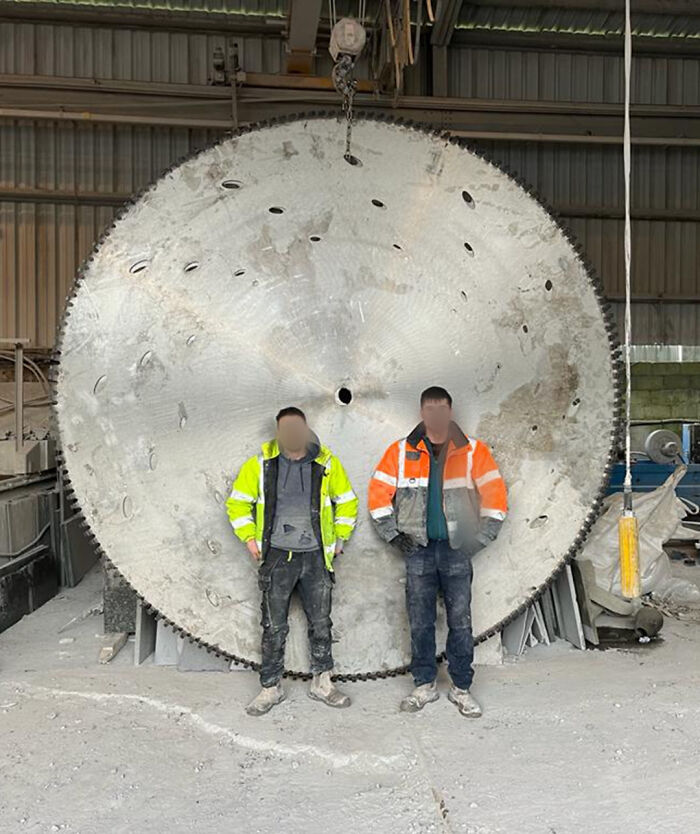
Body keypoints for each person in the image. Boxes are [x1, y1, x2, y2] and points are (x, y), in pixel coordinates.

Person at [368, 387, 507, 718]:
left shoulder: (472, 451)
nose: (435, 416)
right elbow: (377, 498)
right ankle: (424, 685)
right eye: (430, 410)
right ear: (422, 413)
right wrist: (394, 537)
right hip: (418, 551)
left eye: (441, 409)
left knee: (461, 622)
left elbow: (496, 497)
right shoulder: (401, 452)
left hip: (457, 551)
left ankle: (461, 688)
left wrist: (480, 538)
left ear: (450, 411)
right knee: (420, 622)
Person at [227, 406, 358, 716]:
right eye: (286, 430)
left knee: (321, 623)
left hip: (315, 556)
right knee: (273, 626)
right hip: (276, 558)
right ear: (279, 433)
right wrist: (249, 539)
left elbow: (347, 500)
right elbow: (238, 503)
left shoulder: (326, 463)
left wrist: (339, 540)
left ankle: (322, 682)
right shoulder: (260, 465)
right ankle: (270, 688)